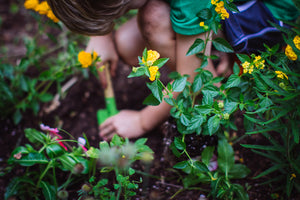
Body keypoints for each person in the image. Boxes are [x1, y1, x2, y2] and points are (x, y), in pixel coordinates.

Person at [46, 0, 299, 140]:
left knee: (154, 16)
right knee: (128, 44)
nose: (124, 15)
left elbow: (191, 80)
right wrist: (102, 36)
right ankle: (209, 60)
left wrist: (143, 121)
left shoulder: (189, 2)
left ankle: (217, 92)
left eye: (122, 11)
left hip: (267, 16)